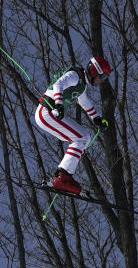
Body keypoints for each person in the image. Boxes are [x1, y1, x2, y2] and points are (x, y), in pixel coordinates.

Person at [33, 56, 112, 194]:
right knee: (81, 137)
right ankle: (63, 178)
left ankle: (63, 175)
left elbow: (84, 102)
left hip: (50, 113)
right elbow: (58, 84)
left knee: (85, 136)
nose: (102, 81)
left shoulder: (81, 85)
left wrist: (97, 119)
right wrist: (59, 103)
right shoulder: (75, 75)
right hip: (48, 111)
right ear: (95, 72)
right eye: (103, 77)